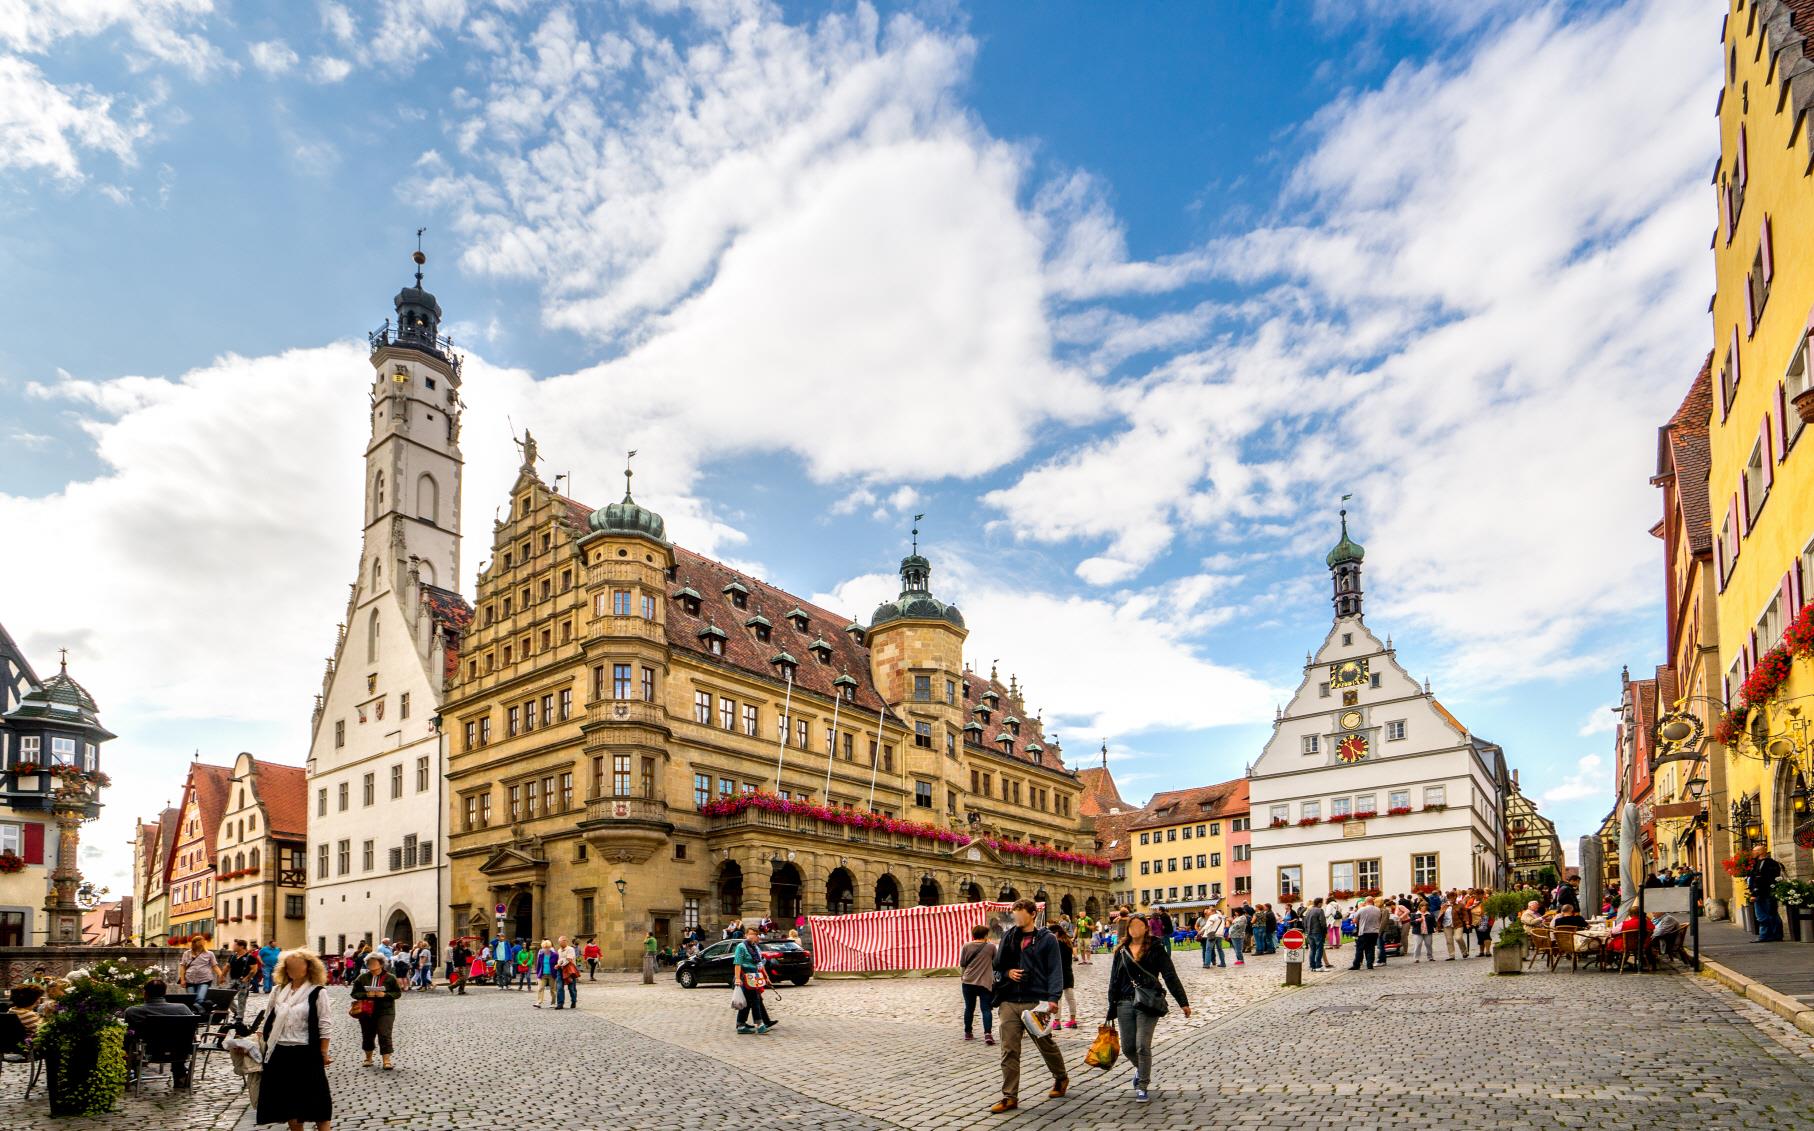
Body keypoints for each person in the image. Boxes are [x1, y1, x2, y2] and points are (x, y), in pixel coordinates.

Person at [989, 899, 1065, 1114]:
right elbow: (997, 967)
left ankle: (1060, 1077)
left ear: (1032, 914)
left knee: (1045, 1044)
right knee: (1009, 1049)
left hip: (1036, 1000)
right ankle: (1009, 1096)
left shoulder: (1047, 939)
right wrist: (1007, 973)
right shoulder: (1008, 936)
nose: (1015, 918)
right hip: (1010, 1000)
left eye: (1020, 913)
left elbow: (1055, 970)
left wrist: (1053, 998)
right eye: (1014, 914)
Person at [1107, 913, 1191, 1105]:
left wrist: (1183, 1002)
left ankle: (1142, 1085)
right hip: (1124, 1002)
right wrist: (1111, 1006)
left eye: (1139, 926)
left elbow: (1170, 975)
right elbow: (1114, 980)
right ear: (1127, 929)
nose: (1135, 930)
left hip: (1148, 1001)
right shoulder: (1121, 951)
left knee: (1142, 1045)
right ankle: (1141, 1069)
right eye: (1131, 927)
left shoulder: (1156, 948)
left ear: (1146, 928)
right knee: (1128, 1047)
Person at [256, 949, 332, 1130]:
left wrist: (324, 1052)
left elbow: (325, 1024)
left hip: (306, 1052)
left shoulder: (317, 992)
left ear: (308, 968)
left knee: (317, 1102)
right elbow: (268, 1019)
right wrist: (254, 1041)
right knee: (290, 1105)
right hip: (280, 1052)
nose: (293, 970)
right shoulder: (278, 991)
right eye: (289, 966)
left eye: (297, 965)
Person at [123, 980, 198, 1089]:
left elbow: (130, 1032)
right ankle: (180, 1074)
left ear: (145, 993)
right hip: (179, 1054)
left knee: (129, 1037)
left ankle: (132, 1071)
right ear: (164, 993)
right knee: (179, 1039)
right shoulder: (182, 1009)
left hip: (148, 1053)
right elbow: (192, 1030)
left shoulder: (133, 1011)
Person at [350, 953, 403, 1069]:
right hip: (366, 1011)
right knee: (368, 1034)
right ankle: (368, 1058)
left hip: (385, 1011)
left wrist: (384, 994)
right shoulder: (362, 978)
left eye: (374, 962)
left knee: (384, 1034)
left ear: (381, 964)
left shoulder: (390, 978)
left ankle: (386, 1060)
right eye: (369, 963)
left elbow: (398, 993)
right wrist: (365, 994)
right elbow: (354, 993)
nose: (371, 965)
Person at [733, 926, 776, 1035]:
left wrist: (766, 977)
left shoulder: (756, 948)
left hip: (755, 976)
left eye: (755, 934)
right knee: (755, 1000)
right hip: (745, 976)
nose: (753, 936)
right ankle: (760, 1025)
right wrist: (737, 979)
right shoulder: (741, 947)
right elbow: (737, 963)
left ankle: (741, 1025)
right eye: (750, 934)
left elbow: (760, 965)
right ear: (746, 935)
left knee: (748, 1002)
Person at [959, 924, 997, 1045]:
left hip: (968, 981)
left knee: (969, 1008)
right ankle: (988, 1034)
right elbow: (996, 963)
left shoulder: (966, 945)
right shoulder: (991, 947)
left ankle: (968, 1032)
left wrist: (963, 976)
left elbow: (963, 963)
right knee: (986, 1009)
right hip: (985, 982)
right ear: (985, 935)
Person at [179, 935, 224, 1016]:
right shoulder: (187, 953)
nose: (204, 942)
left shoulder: (209, 953)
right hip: (190, 979)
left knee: (200, 999)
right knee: (191, 1000)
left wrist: (221, 975)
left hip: (205, 979)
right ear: (195, 943)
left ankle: (199, 1013)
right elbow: (183, 967)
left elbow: (215, 966)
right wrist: (182, 979)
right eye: (202, 940)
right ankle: (196, 1016)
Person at [1749, 844, 1785, 943]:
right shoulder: (1772, 863)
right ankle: (1776, 935)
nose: (1752, 853)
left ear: (1760, 852)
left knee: (1762, 916)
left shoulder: (1763, 864)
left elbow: (1759, 879)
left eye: (1754, 851)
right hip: (1769, 892)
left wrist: (1754, 893)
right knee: (1772, 913)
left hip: (1763, 893)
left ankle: (1764, 936)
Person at [1053, 925, 1078, 1029]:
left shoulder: (1056, 944)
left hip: (1058, 973)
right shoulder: (1068, 942)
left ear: (1057, 933)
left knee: (1057, 998)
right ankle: (1073, 1020)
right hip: (1068, 973)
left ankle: (1057, 1021)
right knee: (1070, 998)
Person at [1350, 899, 1381, 970]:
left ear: (1365, 902)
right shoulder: (1378, 910)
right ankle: (1370, 964)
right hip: (1374, 932)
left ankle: (1356, 965)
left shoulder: (1362, 909)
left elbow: (1354, 921)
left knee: (1360, 949)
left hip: (1364, 931)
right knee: (1371, 948)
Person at [1303, 899, 1328, 971]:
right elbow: (1323, 923)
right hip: (1317, 932)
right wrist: (1325, 932)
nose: (1322, 905)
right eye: (1322, 903)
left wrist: (1307, 931)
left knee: (1312, 949)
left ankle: (1312, 966)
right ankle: (1318, 966)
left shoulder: (1308, 911)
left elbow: (1305, 923)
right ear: (1319, 903)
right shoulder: (1320, 910)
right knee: (1319, 949)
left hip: (1309, 932)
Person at [555, 936, 580, 1009]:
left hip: (570, 970)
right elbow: (560, 960)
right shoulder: (559, 950)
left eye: (561, 942)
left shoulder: (570, 949)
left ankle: (574, 1001)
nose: (559, 943)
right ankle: (560, 1003)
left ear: (565, 941)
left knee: (571, 988)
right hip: (560, 970)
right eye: (559, 942)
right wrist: (559, 964)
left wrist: (559, 964)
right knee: (559, 987)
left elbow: (569, 960)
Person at [532, 939, 557, 1007]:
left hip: (552, 974)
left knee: (553, 989)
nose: (545, 949)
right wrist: (537, 976)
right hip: (542, 974)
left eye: (547, 947)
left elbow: (557, 964)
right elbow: (539, 966)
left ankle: (553, 1003)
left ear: (550, 947)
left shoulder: (555, 955)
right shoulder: (541, 955)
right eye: (544, 947)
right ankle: (539, 1002)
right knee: (540, 988)